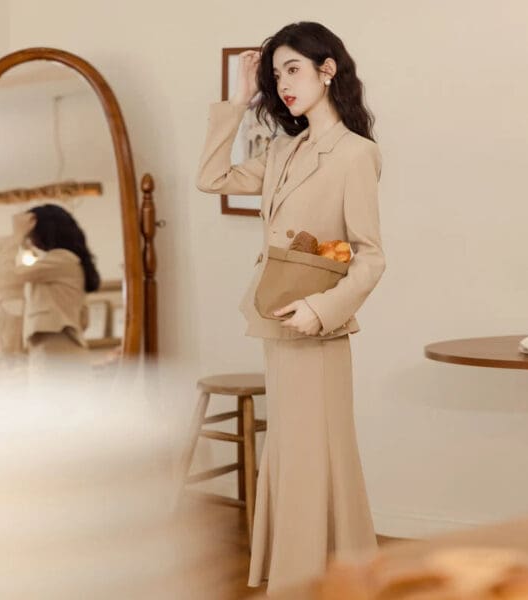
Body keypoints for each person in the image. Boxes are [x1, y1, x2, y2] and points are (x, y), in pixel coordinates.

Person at [196, 21, 385, 594]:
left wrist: (322, 310)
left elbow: (371, 257)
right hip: (276, 320)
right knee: (292, 456)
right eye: (276, 74)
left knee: (317, 458)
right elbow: (212, 178)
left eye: (294, 69)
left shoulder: (356, 155)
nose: (283, 83)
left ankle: (314, 581)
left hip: (317, 328)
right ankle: (312, 578)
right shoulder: (282, 149)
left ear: (328, 70)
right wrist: (235, 103)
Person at [6, 205, 100, 369]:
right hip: (58, 352)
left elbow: (7, 275)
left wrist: (17, 237)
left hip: (56, 353)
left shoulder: (62, 259)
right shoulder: (65, 263)